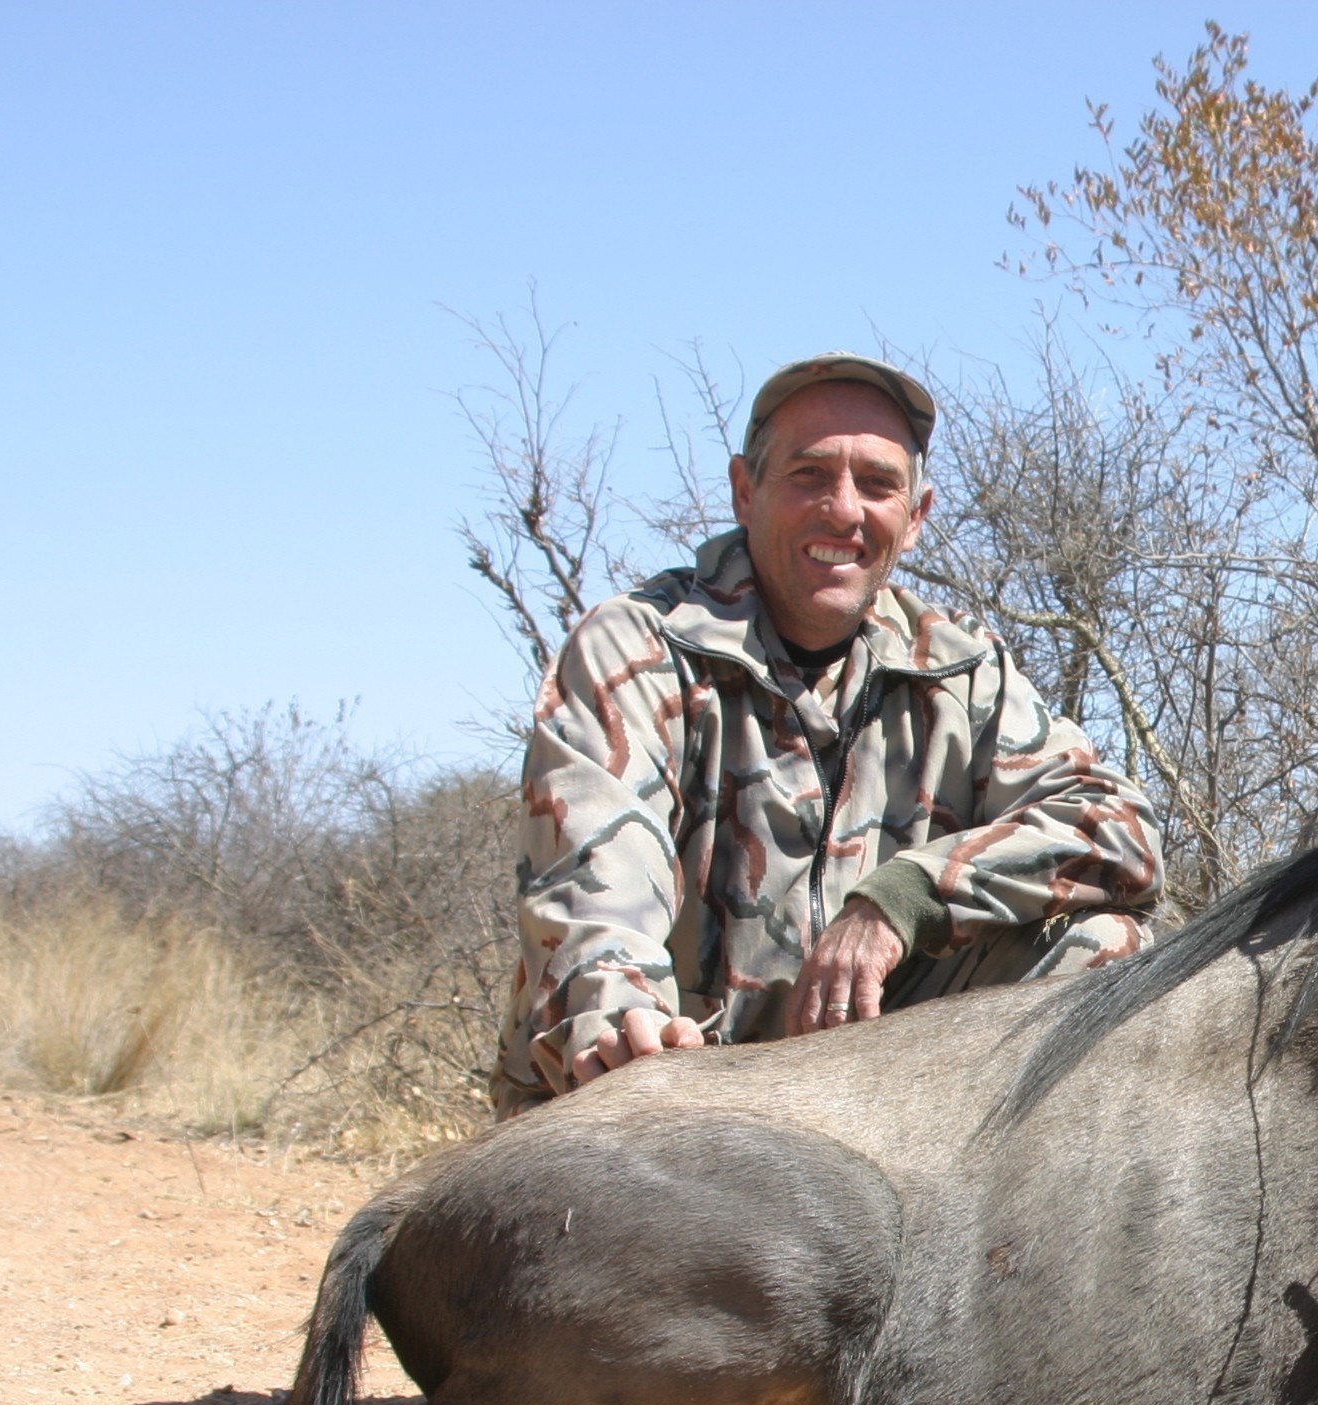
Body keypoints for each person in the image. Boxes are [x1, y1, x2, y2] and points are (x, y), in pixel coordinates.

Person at [493, 353, 1163, 1115]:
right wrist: (623, 1019)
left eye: (877, 485)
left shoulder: (962, 668)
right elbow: (598, 877)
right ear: (745, 492)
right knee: (625, 1078)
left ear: (915, 518)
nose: (843, 511)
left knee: (1103, 948)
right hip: (674, 1087)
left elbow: (1121, 831)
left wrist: (900, 903)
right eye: (809, 475)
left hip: (863, 1095)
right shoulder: (638, 647)